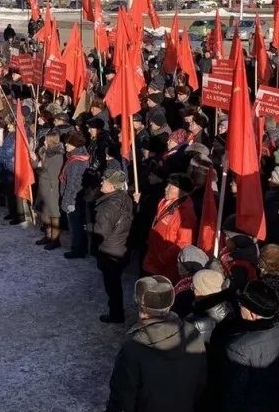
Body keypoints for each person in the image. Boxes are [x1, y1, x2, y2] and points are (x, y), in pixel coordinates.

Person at [105, 276, 206, 412]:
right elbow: (200, 382)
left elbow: (122, 402)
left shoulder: (133, 349)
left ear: (142, 309)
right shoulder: (192, 333)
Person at [209, 279, 279, 412]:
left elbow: (232, 397)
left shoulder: (240, 348)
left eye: (241, 306)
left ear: (253, 314)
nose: (239, 309)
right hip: (271, 411)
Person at [92, 168, 134, 324]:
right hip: (121, 247)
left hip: (110, 251)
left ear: (112, 186)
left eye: (105, 180)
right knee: (115, 283)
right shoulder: (126, 198)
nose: (102, 182)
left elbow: (100, 233)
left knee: (112, 286)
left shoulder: (107, 207)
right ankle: (117, 311)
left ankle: (116, 314)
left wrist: (91, 233)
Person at [143, 173, 196, 282]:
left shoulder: (186, 214)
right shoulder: (164, 202)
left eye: (171, 187)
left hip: (164, 266)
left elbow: (183, 243)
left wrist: (163, 258)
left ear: (181, 191)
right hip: (152, 256)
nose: (166, 189)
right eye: (167, 185)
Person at [60, 131, 90, 259]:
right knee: (77, 224)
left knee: (75, 226)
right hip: (77, 197)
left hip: (74, 198)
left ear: (75, 144)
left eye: (68, 143)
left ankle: (78, 249)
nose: (66, 144)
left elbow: (72, 184)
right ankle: (79, 247)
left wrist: (67, 201)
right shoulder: (77, 157)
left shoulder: (76, 162)